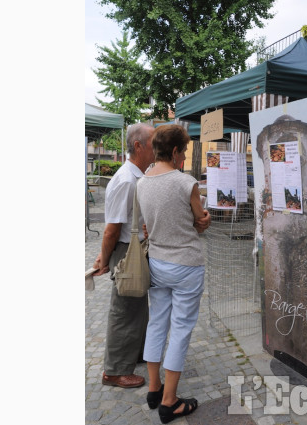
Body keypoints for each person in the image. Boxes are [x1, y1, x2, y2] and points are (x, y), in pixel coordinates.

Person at [136, 124, 210, 423]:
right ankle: (170, 402)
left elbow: (149, 222)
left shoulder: (142, 182)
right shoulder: (185, 182)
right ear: (177, 151)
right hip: (186, 264)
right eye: (184, 151)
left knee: (156, 323)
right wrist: (201, 221)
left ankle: (155, 388)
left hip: (157, 262)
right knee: (180, 329)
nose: (183, 157)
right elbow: (200, 218)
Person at [92, 123, 155, 389]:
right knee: (124, 310)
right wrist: (103, 260)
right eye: (154, 141)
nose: (157, 146)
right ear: (138, 146)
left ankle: (135, 353)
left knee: (137, 308)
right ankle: (114, 371)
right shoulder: (127, 180)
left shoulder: (137, 176)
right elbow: (111, 230)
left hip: (135, 250)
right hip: (126, 252)